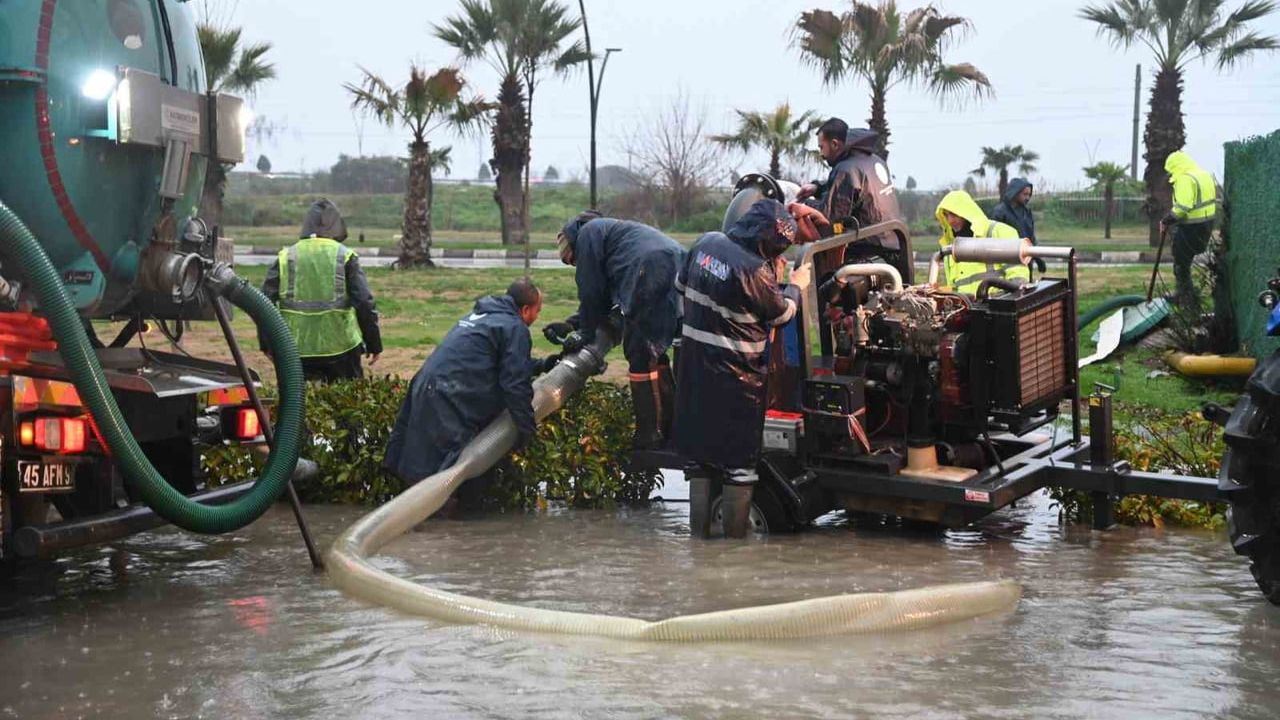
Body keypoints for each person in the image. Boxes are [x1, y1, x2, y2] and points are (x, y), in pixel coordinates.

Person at [674, 198, 802, 539]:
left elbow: (681, 287)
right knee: (739, 466)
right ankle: (734, 548)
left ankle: (698, 538)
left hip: (694, 369)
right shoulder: (756, 270)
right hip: (738, 380)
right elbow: (782, 314)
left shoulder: (705, 242)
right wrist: (795, 284)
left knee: (698, 461)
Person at [383, 278, 553, 497]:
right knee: (448, 477)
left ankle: (416, 523)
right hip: (449, 396)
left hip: (426, 386)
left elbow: (502, 364)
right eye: (538, 312)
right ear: (526, 309)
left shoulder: (483, 316)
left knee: (420, 464)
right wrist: (527, 431)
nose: (537, 318)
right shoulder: (514, 327)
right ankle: (442, 528)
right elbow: (515, 385)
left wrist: (543, 365)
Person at [545, 212, 685, 450]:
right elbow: (604, 297)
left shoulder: (587, 234)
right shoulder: (615, 237)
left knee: (640, 355)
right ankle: (671, 428)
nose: (576, 265)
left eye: (573, 261)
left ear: (572, 244)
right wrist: (572, 324)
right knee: (655, 354)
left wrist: (585, 335)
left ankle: (648, 436)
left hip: (650, 269)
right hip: (676, 264)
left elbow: (590, 290)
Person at [260, 199, 381, 382]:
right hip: (341, 347)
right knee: (346, 405)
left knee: (296, 406)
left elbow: (263, 303)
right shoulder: (344, 255)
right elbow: (364, 302)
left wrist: (267, 344)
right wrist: (373, 343)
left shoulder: (286, 256)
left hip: (293, 349)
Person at [797, 118, 904, 265]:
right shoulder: (873, 160)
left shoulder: (846, 170)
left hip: (868, 249)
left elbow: (828, 216)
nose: (821, 154)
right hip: (895, 244)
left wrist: (801, 204)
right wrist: (817, 188)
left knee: (826, 276)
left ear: (834, 144)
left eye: (822, 147)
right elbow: (853, 190)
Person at [934, 190, 1031, 296]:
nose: (950, 221)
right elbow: (954, 287)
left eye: (954, 214)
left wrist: (1007, 302)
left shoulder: (999, 232)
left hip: (997, 307)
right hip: (968, 309)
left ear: (966, 212)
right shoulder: (950, 247)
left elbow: (1018, 278)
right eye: (946, 215)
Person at [1161, 150, 1218, 310]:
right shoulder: (1203, 175)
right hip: (1206, 225)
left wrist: (1167, 219)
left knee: (1181, 264)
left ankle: (1187, 300)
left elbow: (1182, 208)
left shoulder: (1185, 179)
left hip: (1191, 227)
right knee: (1184, 262)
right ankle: (1184, 295)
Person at [989, 177, 1036, 244]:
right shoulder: (1000, 212)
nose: (1027, 198)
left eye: (1029, 195)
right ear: (1015, 193)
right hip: (1006, 251)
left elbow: (1032, 238)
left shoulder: (1027, 213)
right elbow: (993, 235)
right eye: (1025, 194)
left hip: (1026, 251)